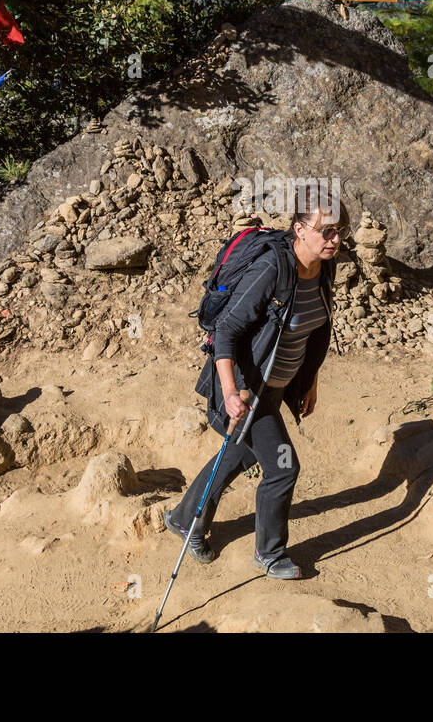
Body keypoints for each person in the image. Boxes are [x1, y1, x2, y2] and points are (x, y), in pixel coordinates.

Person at [164, 182, 348, 579]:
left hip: (280, 382)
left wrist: (310, 380)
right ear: (300, 230)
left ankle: (184, 519)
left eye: (340, 230)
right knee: (283, 467)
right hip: (250, 386)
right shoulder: (271, 269)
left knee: (243, 451)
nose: (335, 238)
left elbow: (316, 328)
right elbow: (227, 332)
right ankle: (270, 554)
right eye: (326, 231)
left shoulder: (323, 267)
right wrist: (230, 393)